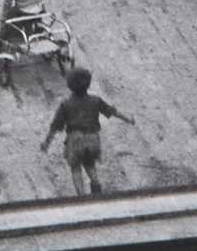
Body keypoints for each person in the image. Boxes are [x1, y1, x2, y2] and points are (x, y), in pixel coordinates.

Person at [41, 67, 135, 196]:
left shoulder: (66, 104)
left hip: (75, 140)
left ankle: (81, 197)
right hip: (93, 139)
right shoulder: (96, 100)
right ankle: (95, 184)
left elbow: (55, 127)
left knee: (75, 168)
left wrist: (46, 143)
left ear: (70, 85)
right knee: (90, 164)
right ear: (88, 83)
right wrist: (128, 119)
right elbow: (112, 112)